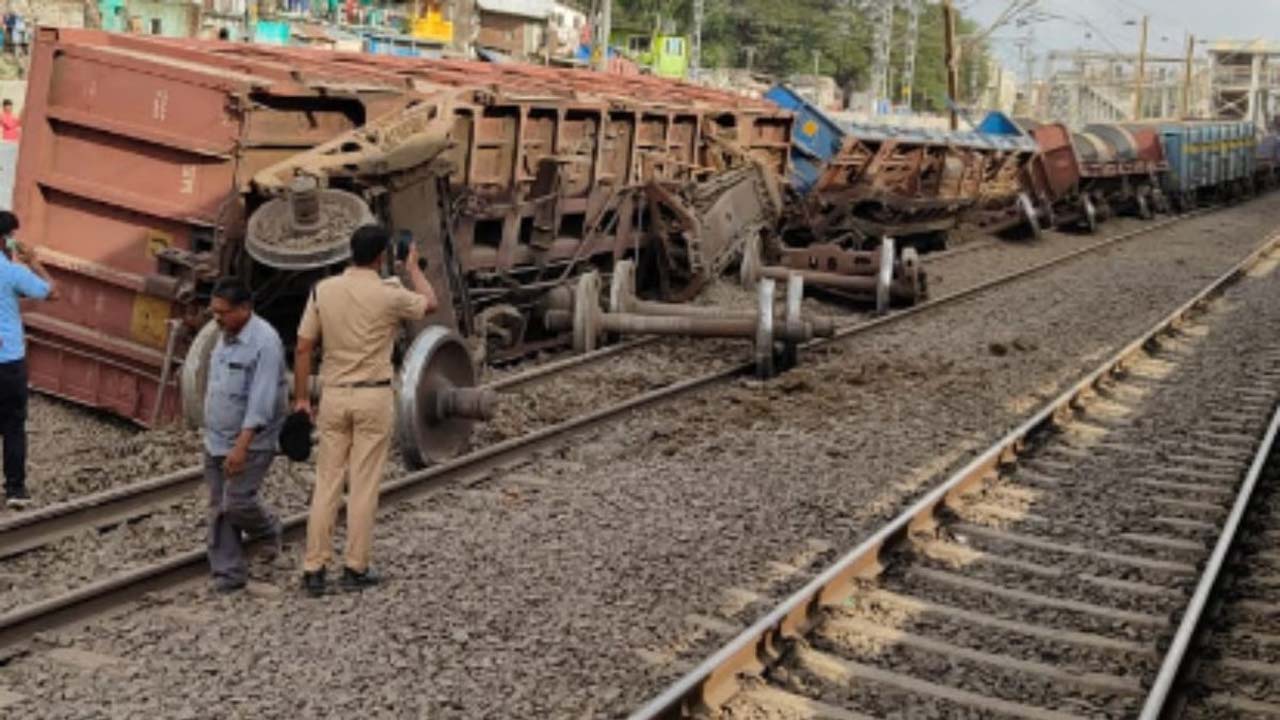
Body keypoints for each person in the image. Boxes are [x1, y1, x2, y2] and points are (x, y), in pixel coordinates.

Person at [294, 224, 437, 596]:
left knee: (327, 482)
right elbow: (430, 303)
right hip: (372, 397)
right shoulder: (390, 294)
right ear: (380, 256)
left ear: (350, 251)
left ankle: (314, 568)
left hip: (333, 396)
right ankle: (355, 567)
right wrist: (413, 267)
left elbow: (303, 347)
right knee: (363, 485)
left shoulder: (323, 290)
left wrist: (302, 399)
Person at [202, 278, 286, 593]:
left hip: (250, 441)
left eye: (223, 312)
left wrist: (241, 446)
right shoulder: (224, 334)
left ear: (245, 309)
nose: (217, 318)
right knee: (218, 506)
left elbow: (261, 402)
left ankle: (267, 530)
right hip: (216, 437)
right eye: (214, 312)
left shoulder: (265, 343)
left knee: (237, 502)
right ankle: (229, 574)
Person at [0, 211, 55, 508]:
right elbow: (53, 293)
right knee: (13, 426)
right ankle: (15, 490)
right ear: (6, 239)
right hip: (9, 362)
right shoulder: (13, 273)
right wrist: (33, 262)